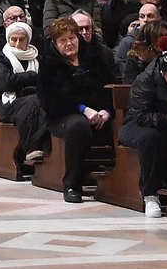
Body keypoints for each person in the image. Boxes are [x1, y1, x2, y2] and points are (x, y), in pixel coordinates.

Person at [36, 17, 113, 204]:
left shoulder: (94, 57)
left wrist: (106, 110)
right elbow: (51, 101)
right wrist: (83, 109)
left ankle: (116, 181)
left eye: (72, 38)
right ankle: (72, 184)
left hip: (98, 113)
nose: (69, 43)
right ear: (55, 44)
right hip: (62, 117)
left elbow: (108, 86)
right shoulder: (48, 64)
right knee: (78, 126)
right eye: (63, 40)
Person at [118, 43, 167, 218]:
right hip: (140, 124)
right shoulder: (146, 80)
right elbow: (140, 115)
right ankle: (150, 194)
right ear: (163, 72)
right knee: (151, 138)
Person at [0, 21, 49, 164]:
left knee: (44, 101)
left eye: (21, 40)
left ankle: (50, 148)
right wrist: (31, 76)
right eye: (13, 39)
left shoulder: (36, 57)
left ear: (28, 40)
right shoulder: (2, 58)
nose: (17, 44)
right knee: (34, 101)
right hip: (9, 102)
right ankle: (31, 147)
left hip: (34, 97)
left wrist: (23, 81)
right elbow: (5, 82)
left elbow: (47, 80)